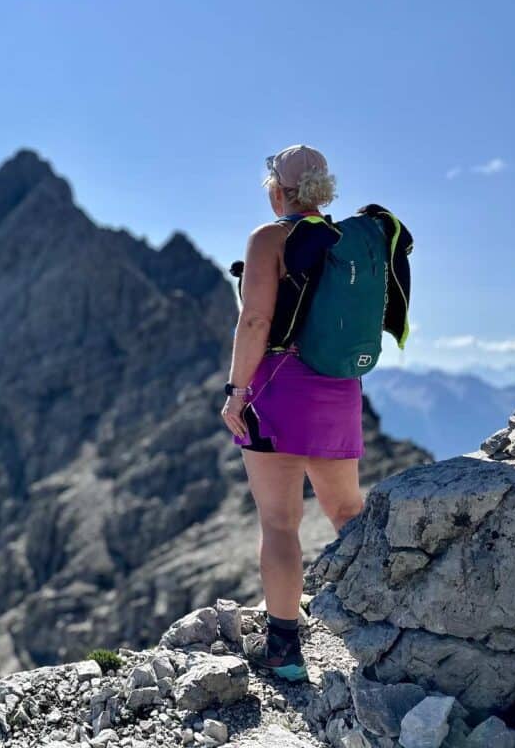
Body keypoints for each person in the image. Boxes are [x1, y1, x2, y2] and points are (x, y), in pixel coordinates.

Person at [220, 144, 367, 683]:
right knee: (348, 512)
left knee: (281, 523)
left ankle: (285, 651)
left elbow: (256, 321)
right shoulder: (348, 241)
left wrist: (237, 391)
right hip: (339, 390)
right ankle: (375, 619)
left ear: (278, 190)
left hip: (277, 390)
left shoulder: (270, 238)